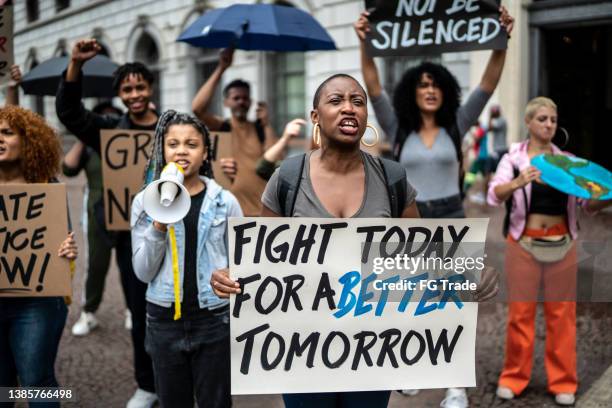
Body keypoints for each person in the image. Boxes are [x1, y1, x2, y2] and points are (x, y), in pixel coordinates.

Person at [211, 73, 500, 408]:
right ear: (315, 116)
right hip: (302, 351)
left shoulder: (392, 180)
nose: (349, 108)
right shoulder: (287, 178)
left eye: (358, 101)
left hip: (371, 352)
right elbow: (262, 265)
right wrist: (232, 275)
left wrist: (465, 280)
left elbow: (421, 265)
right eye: (336, 101)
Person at [354, 7, 514, 407]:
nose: (428, 89)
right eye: (422, 84)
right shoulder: (397, 126)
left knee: (453, 303)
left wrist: (502, 40)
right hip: (408, 218)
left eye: (435, 84)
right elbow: (373, 86)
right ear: (412, 90)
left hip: (451, 217)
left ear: (444, 90)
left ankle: (455, 386)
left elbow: (489, 83)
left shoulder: (458, 121)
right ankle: (410, 367)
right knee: (406, 298)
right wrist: (365, 42)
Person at [487, 97, 611, 406]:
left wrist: (605, 197)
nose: (549, 125)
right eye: (542, 119)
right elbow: (493, 193)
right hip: (523, 243)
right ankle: (514, 378)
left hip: (563, 243)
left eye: (553, 120)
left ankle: (563, 381)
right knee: (520, 313)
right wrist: (518, 181)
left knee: (562, 314)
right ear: (528, 123)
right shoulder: (514, 158)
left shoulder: (567, 161)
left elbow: (587, 204)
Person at [56, 38, 158, 408]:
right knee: (139, 309)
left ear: (151, 88)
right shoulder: (109, 129)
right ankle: (147, 385)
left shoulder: (172, 127)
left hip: (175, 237)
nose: (134, 94)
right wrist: (74, 66)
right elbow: (69, 113)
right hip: (130, 238)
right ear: (119, 94)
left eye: (140, 87)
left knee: (175, 313)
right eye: (127, 89)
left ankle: (178, 380)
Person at [131, 111, 241, 408]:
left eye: (192, 144)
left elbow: (241, 263)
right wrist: (158, 224)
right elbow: (143, 272)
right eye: (173, 143)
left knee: (216, 402)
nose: (181, 150)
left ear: (205, 153)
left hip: (214, 319)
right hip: (164, 320)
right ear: (162, 149)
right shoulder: (144, 202)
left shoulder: (225, 201)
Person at [0, 105, 78, 407]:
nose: (0, 139)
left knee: (36, 380)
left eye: (7, 133)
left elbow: (63, 242)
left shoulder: (47, 189)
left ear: (28, 141)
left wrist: (68, 251)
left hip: (37, 303)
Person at [62, 102, 133, 336]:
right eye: (103, 119)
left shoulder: (129, 144)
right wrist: (84, 136)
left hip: (128, 210)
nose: (108, 123)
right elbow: (68, 168)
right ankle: (88, 311)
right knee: (96, 263)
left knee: (131, 264)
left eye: (113, 118)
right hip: (96, 212)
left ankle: (133, 309)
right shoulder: (91, 147)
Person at [192, 47, 278, 216]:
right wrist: (221, 68)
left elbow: (275, 162)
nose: (241, 102)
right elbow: (197, 108)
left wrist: (267, 124)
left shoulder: (260, 129)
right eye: (236, 98)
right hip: (230, 213)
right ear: (226, 103)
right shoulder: (222, 127)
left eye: (245, 98)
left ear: (251, 102)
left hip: (261, 211)